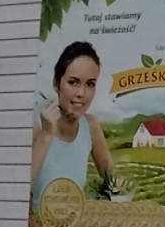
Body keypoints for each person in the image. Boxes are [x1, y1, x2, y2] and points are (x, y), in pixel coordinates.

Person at [31, 41, 114, 208]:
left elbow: (113, 184)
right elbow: (15, 191)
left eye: (90, 84)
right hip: (37, 224)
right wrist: (47, 135)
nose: (81, 93)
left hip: (73, 223)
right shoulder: (36, 126)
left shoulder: (90, 126)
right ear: (56, 84)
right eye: (73, 82)